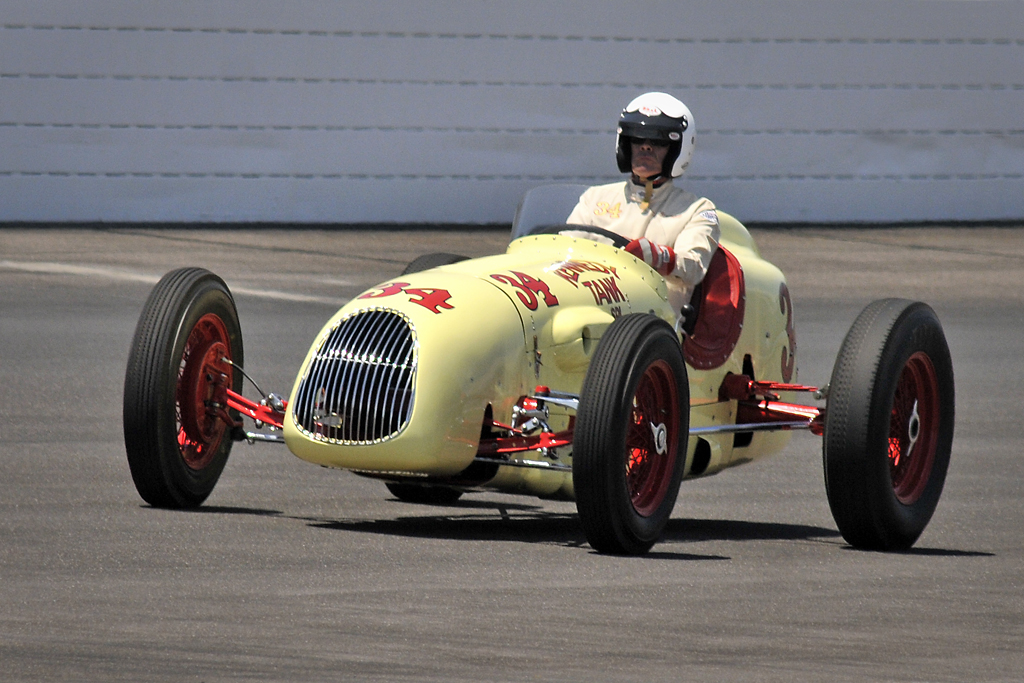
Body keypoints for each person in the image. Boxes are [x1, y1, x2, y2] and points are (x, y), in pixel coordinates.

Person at [565, 92, 720, 316]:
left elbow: (693, 267)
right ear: (626, 144)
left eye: (657, 141)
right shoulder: (594, 198)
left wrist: (659, 256)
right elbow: (564, 253)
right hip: (591, 313)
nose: (645, 148)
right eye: (638, 139)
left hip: (656, 328)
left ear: (678, 149)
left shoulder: (699, 210)